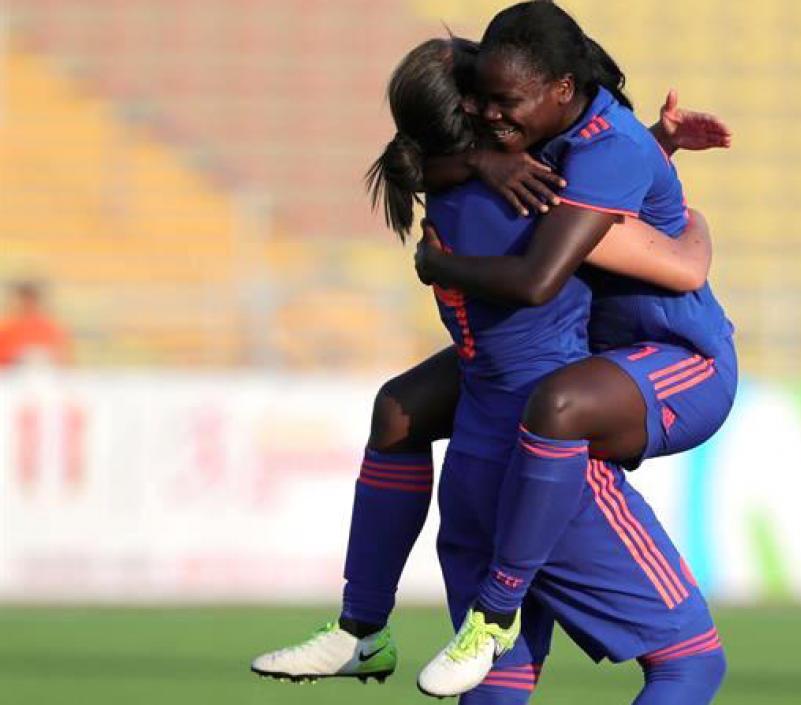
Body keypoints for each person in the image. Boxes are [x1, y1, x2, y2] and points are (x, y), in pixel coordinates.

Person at [250, 35, 723, 688]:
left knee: (397, 408)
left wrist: (480, 164)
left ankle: (362, 623)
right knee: (692, 662)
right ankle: (466, 612)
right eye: (495, 96)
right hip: (549, 480)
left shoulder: (446, 189)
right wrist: (689, 216)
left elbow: (419, 164)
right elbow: (680, 263)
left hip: (471, 463)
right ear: (478, 110)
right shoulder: (547, 201)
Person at [411, 3, 737, 696]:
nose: (492, 116)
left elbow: (543, 278)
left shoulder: (603, 149)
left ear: (562, 88)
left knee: (550, 405)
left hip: (678, 360)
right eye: (481, 105)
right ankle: (370, 620)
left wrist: (441, 266)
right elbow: (414, 154)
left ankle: (487, 607)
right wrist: (484, 157)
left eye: (506, 103)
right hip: (576, 378)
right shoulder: (539, 143)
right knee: (407, 407)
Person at [0, 280, 70, 367]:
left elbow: (62, 358)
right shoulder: (6, 327)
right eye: (24, 300)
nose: (27, 304)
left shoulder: (51, 328)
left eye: (31, 301)